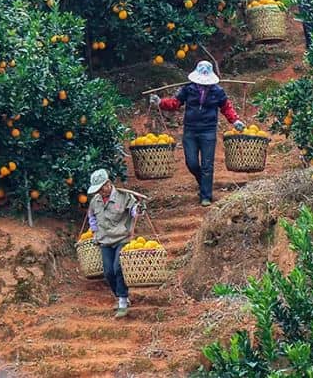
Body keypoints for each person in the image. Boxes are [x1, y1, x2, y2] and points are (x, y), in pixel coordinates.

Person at [150, 61, 244, 207]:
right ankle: (203, 184)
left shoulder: (217, 91)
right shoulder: (188, 89)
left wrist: (235, 120)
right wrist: (160, 102)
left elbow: (226, 108)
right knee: (192, 163)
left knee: (207, 165)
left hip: (208, 131)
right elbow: (175, 103)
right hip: (190, 130)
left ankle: (206, 196)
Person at [86, 168, 139, 318]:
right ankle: (121, 296)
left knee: (118, 268)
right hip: (104, 240)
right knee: (108, 272)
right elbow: (92, 217)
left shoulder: (123, 196)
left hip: (122, 238)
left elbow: (133, 210)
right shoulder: (95, 202)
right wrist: (95, 231)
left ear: (108, 184)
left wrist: (138, 210)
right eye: (97, 190)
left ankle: (122, 301)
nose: (100, 192)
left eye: (101, 189)